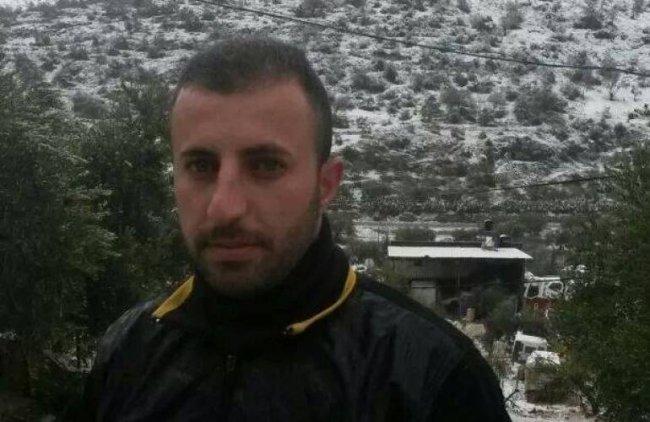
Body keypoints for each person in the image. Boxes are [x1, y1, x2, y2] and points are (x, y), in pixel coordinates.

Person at [81, 36, 511, 421]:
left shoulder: (431, 378)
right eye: (200, 166)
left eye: (266, 166)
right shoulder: (130, 350)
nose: (224, 208)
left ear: (326, 184)